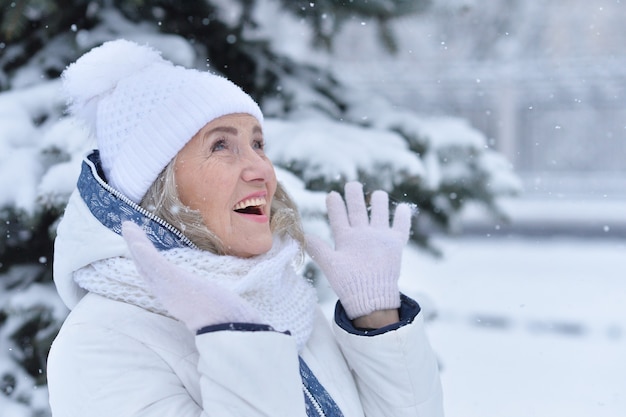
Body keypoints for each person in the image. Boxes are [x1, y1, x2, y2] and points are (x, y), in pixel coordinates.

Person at [47, 39, 443, 417]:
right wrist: (237, 341)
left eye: (258, 144)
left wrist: (377, 318)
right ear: (157, 185)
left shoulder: (282, 302)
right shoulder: (99, 343)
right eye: (221, 145)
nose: (262, 169)